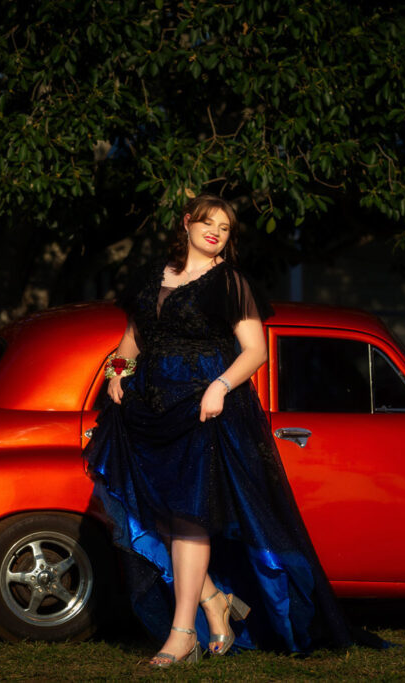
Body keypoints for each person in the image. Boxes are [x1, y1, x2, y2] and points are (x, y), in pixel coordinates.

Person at [84, 194, 371, 666]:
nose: (216, 231)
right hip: (149, 411)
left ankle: (182, 636)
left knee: (190, 518)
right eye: (208, 222)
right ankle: (213, 600)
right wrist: (117, 371)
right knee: (154, 512)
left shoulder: (230, 281)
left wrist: (219, 387)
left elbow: (255, 350)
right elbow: (132, 340)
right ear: (187, 223)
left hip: (204, 410)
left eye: (225, 227)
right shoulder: (152, 278)